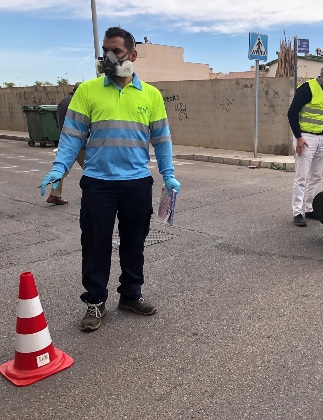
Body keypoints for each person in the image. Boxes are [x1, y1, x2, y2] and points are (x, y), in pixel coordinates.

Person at [40, 26, 181, 331]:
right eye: (105, 50)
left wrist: (168, 174)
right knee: (95, 243)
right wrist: (59, 168)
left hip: (136, 183)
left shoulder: (151, 95)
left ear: (133, 54)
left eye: (115, 50)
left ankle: (130, 295)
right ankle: (95, 301)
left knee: (134, 243)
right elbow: (72, 136)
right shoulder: (88, 91)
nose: (108, 56)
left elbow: (162, 139)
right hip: (98, 183)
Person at [287, 61, 323, 227]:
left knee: (316, 176)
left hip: (321, 138)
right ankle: (297, 212)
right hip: (305, 138)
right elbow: (292, 113)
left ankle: (310, 209)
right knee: (302, 176)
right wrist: (298, 137)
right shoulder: (308, 88)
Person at [45, 82, 85, 205]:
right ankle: (98, 195)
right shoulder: (76, 102)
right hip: (78, 142)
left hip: (66, 140)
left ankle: (54, 194)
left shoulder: (63, 101)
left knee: (62, 169)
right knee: (93, 169)